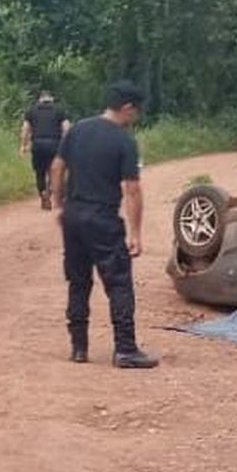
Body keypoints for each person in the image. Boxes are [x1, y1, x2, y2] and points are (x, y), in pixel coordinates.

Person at [49, 81, 158, 369]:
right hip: (102, 218)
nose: (136, 117)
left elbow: (58, 168)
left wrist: (58, 204)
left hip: (73, 216)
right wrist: (135, 233)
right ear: (127, 108)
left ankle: (78, 347)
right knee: (119, 282)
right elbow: (132, 189)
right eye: (136, 111)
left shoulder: (78, 129)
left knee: (78, 281)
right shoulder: (124, 141)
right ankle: (125, 349)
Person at [19, 90, 70, 210]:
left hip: (37, 144)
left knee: (39, 172)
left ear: (39, 99)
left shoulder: (31, 110)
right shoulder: (59, 110)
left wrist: (23, 145)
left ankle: (42, 192)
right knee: (54, 170)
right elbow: (66, 128)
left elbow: (25, 129)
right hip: (55, 144)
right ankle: (51, 189)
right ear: (51, 99)